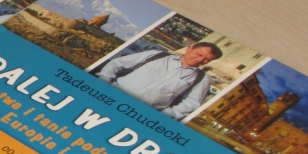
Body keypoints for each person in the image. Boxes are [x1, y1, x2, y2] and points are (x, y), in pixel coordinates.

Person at [95, 42, 223, 119]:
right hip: (110, 96)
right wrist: (104, 83)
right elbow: (117, 63)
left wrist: (166, 114)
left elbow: (192, 103)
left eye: (207, 59)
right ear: (189, 48)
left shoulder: (202, 79)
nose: (200, 60)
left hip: (139, 114)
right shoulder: (156, 55)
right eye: (199, 55)